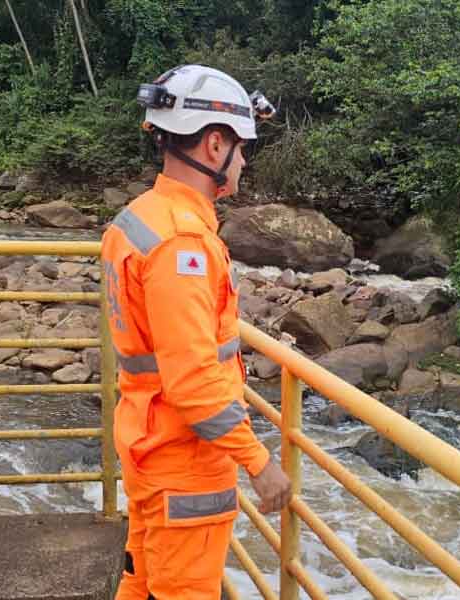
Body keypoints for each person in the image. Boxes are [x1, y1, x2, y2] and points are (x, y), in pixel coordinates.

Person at [101, 65, 291, 600]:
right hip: (182, 459)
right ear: (213, 146)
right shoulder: (182, 243)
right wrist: (258, 462)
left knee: (141, 579)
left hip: (145, 439)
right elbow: (191, 379)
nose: (244, 161)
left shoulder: (139, 217)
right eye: (241, 147)